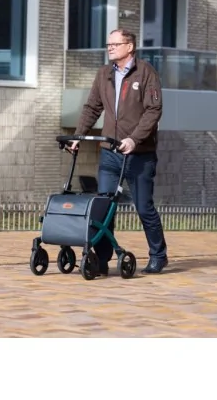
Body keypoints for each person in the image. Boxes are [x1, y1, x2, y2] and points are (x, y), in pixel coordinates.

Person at [69, 29, 168, 275]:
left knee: (144, 208)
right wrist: (78, 136)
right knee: (104, 206)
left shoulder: (146, 73)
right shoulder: (104, 74)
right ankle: (102, 259)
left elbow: (153, 111)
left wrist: (134, 140)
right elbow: (92, 107)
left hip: (139, 155)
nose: (110, 48)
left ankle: (158, 255)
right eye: (108, 44)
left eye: (115, 44)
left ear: (130, 46)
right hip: (110, 153)